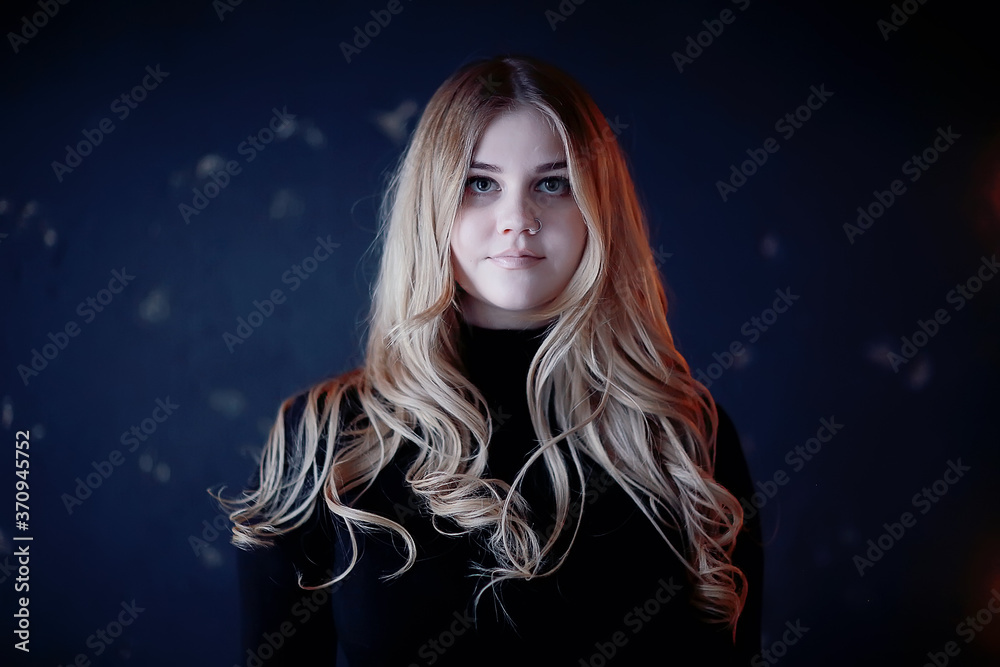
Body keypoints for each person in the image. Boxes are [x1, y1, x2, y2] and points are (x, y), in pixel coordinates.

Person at [218, 54, 763, 666]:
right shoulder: (322, 440)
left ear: (597, 210)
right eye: (480, 183)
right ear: (432, 205)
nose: (517, 221)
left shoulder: (681, 435)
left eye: (552, 183)